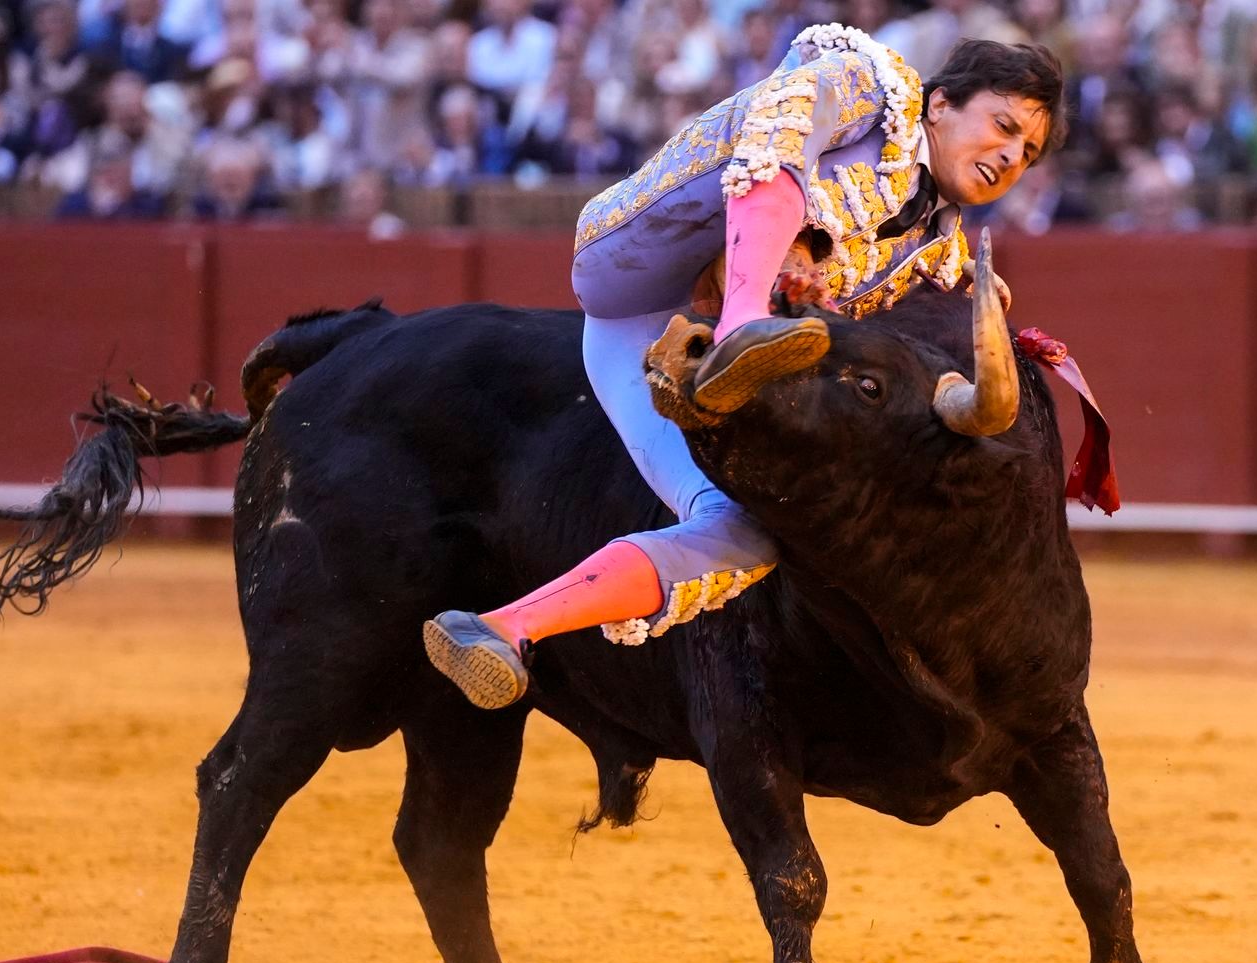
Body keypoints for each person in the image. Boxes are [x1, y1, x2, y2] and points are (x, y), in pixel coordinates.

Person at [423, 26, 1064, 709]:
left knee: (742, 533)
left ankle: (504, 628)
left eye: (1027, 153)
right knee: (786, 133)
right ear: (940, 103)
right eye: (1003, 126)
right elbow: (781, 122)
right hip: (633, 269)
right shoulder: (872, 83)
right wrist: (775, 282)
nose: (1010, 156)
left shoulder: (938, 252)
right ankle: (740, 325)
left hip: (643, 345)